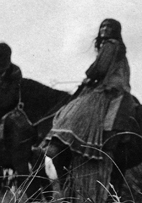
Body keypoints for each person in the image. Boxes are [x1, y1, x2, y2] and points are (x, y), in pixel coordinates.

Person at [46, 18, 134, 160]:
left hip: (108, 88)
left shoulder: (110, 45)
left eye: (109, 27)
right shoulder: (117, 47)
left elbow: (100, 68)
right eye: (102, 26)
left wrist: (90, 77)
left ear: (115, 31)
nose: (104, 29)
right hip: (115, 85)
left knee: (78, 109)